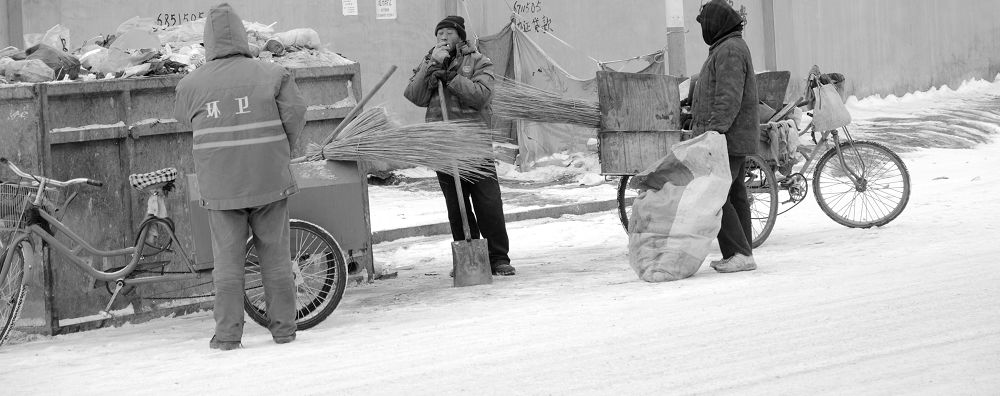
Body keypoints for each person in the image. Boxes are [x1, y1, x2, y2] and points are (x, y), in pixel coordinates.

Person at [174, 3, 306, 350]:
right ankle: (284, 331)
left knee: (227, 264)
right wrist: (280, 150)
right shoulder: (272, 73)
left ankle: (229, 335)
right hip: (269, 181)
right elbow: (295, 112)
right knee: (276, 259)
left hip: (221, 188)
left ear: (207, 41)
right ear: (243, 36)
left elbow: (184, 120)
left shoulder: (190, 84)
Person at [403, 16, 515, 276]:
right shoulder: (428, 61)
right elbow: (413, 96)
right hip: (443, 147)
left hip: (474, 144)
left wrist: (452, 77)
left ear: (460, 36)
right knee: (456, 206)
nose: (443, 37)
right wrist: (430, 69)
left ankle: (498, 257)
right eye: (439, 32)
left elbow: (481, 96)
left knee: (488, 203)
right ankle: (468, 253)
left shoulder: (478, 61)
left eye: (449, 32)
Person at [690, 0, 760, 273]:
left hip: (728, 136)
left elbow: (728, 97)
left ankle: (740, 253)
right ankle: (743, 253)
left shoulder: (730, 50)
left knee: (717, 196)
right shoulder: (727, 47)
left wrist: (715, 131)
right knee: (735, 193)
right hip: (733, 135)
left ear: (716, 24)